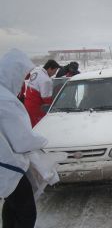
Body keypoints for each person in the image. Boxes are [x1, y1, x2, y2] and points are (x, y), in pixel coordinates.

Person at [0, 49, 48, 228]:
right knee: (26, 212)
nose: (22, 82)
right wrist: (43, 142)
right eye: (21, 77)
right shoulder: (5, 100)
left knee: (12, 205)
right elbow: (22, 140)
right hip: (7, 166)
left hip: (5, 164)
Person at [24, 59, 60, 127]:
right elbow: (47, 99)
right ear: (50, 68)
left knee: (30, 127)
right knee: (39, 127)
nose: (54, 74)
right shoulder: (46, 80)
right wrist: (54, 107)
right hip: (37, 109)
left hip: (28, 104)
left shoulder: (37, 72)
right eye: (55, 71)